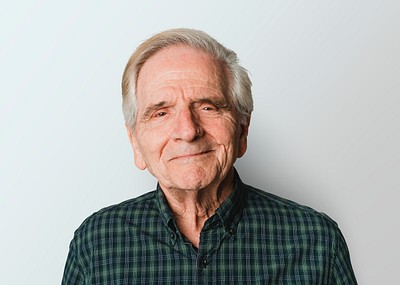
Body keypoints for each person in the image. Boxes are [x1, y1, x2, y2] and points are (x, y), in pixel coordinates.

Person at [62, 28, 357, 284]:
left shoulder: (316, 241)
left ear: (242, 130)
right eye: (161, 113)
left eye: (208, 107)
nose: (188, 131)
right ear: (135, 143)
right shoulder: (96, 244)